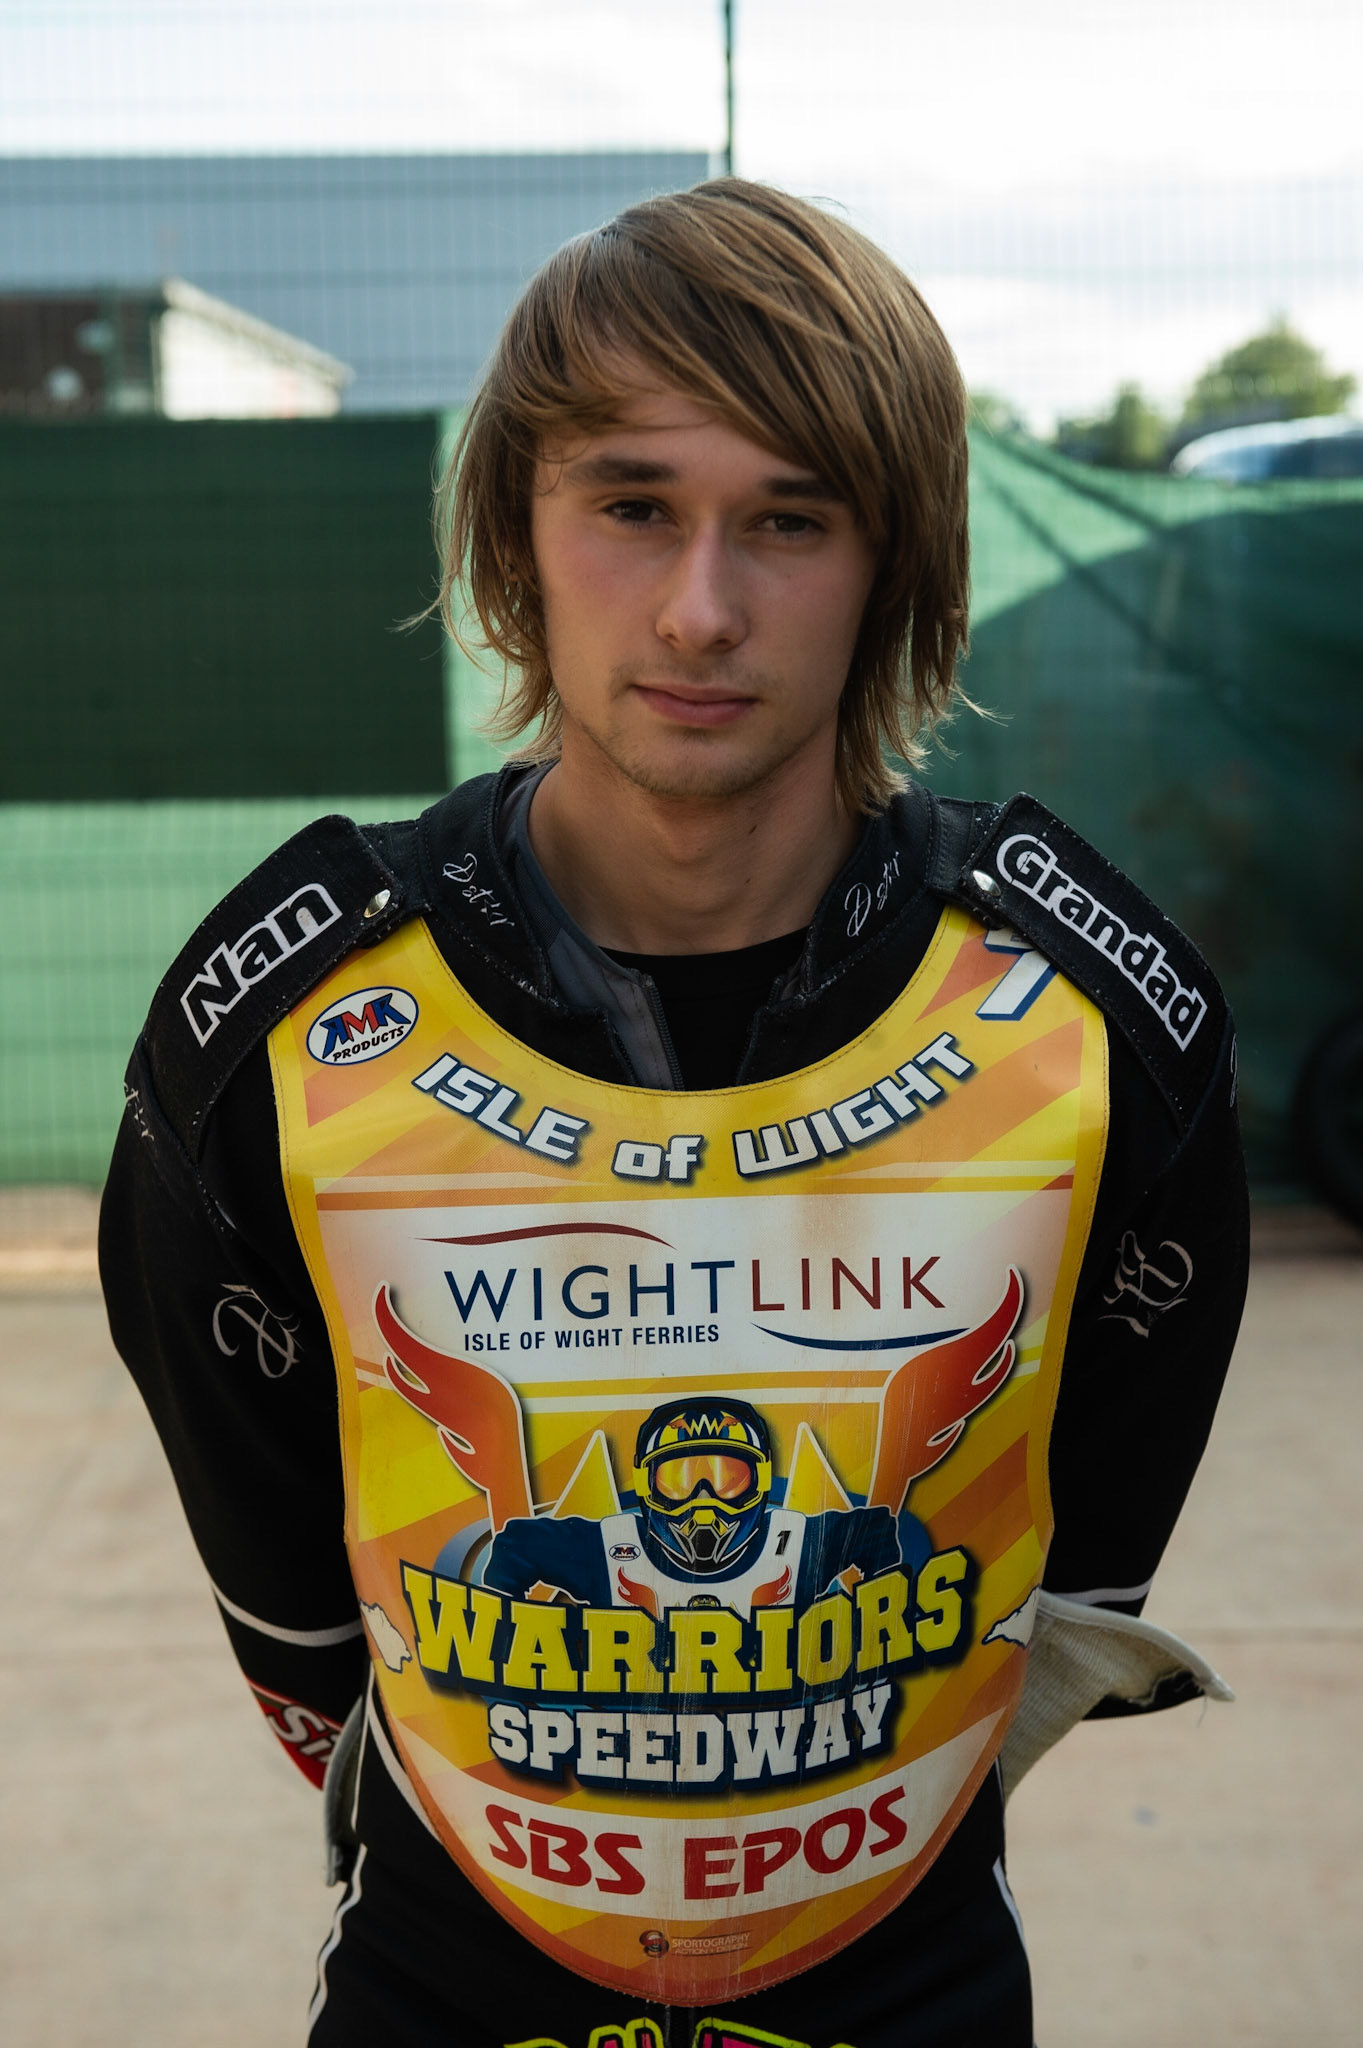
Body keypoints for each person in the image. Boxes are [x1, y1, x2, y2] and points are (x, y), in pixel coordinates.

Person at [100, 180, 1248, 2048]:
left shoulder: (1099, 1012)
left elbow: (1083, 1571)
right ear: (517, 532)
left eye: (789, 522)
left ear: (897, 568)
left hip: (917, 1973)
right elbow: (301, 1635)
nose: (701, 609)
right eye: (632, 506)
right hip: (448, 1971)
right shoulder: (284, 1024)